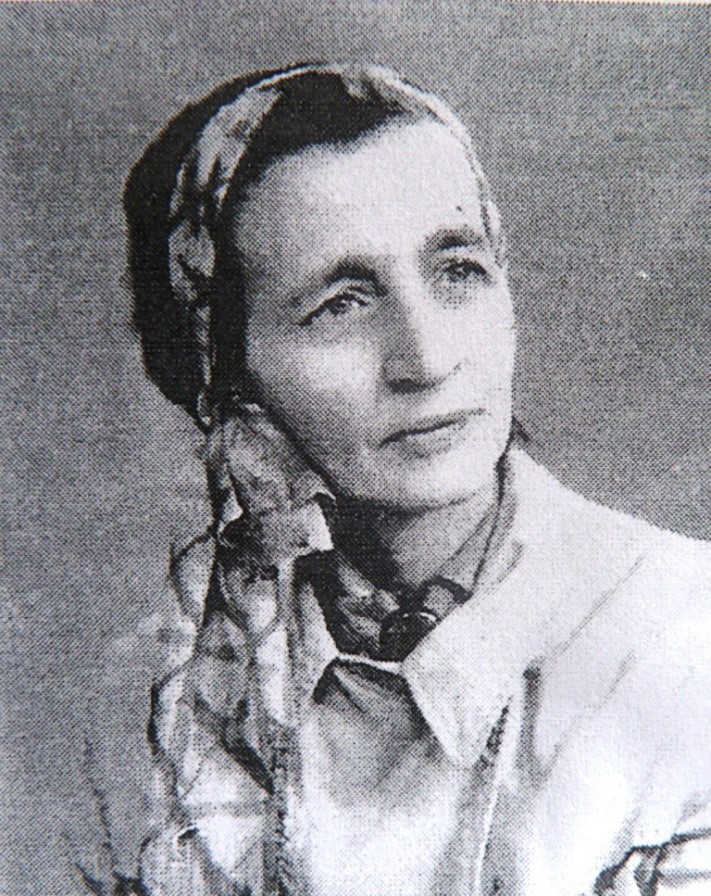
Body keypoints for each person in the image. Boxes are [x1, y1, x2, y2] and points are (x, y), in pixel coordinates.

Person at [86, 63, 710, 896]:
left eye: (457, 270)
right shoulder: (161, 689)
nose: (425, 359)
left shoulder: (683, 645)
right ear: (225, 373)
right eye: (341, 304)